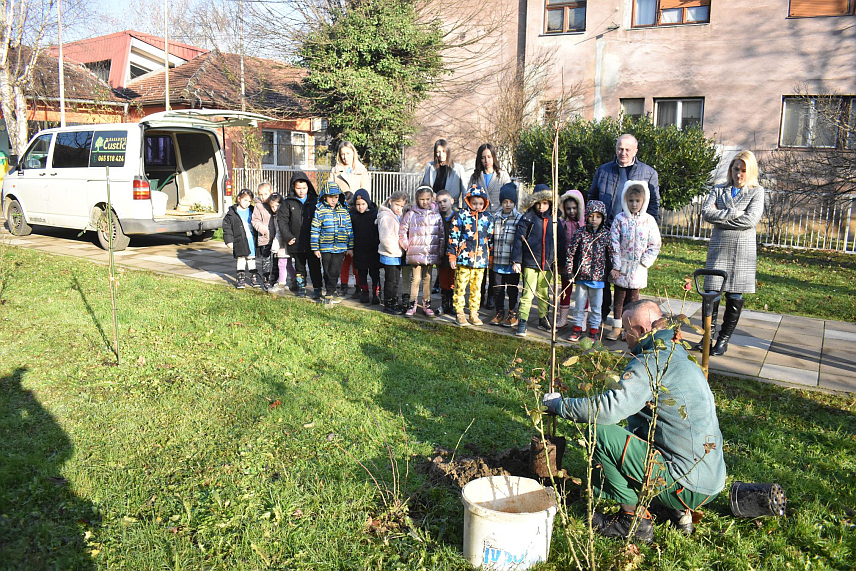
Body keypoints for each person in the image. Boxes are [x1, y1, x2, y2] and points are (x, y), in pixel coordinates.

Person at [542, 300, 726, 542]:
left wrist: (559, 405)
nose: (623, 339)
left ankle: (633, 521)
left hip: (687, 483)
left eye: (626, 332)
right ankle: (676, 510)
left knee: (600, 433)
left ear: (639, 332)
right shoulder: (675, 353)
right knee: (636, 433)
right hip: (709, 478)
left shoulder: (651, 361)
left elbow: (607, 410)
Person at [588, 134, 660, 334]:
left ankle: (629, 324)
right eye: (620, 148)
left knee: (630, 289)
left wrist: (645, 228)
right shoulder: (603, 171)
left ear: (635, 151)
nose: (623, 152)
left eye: (628, 149)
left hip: (633, 240)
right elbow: (592, 196)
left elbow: (653, 204)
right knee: (603, 279)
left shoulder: (648, 173)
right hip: (606, 233)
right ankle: (601, 318)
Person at [698, 150, 765, 356]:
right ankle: (707, 337)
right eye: (736, 169)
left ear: (750, 171)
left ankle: (723, 340)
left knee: (734, 295)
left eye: (744, 170)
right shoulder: (719, 189)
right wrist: (733, 213)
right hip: (719, 249)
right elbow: (706, 213)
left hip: (741, 252)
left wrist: (722, 218)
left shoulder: (757, 192)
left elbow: (750, 220)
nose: (739, 174)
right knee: (711, 294)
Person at [606, 181, 662, 341]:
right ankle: (616, 327)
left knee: (633, 300)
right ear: (625, 201)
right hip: (621, 267)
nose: (634, 204)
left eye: (637, 201)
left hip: (638, 269)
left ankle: (629, 329)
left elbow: (655, 243)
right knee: (618, 299)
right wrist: (616, 265)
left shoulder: (649, 221)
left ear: (643, 201)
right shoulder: (620, 219)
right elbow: (613, 242)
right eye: (631, 201)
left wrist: (645, 262)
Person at [511, 186, 566, 337]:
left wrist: (560, 263)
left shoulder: (555, 220)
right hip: (530, 261)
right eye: (538, 204)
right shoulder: (528, 218)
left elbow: (560, 241)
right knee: (528, 292)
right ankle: (523, 320)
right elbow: (518, 240)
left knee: (543, 292)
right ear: (534, 203)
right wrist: (517, 260)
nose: (542, 207)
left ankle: (543, 318)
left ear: (550, 203)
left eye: (545, 203)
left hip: (547, 263)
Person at [469, 143, 512, 310]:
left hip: (498, 223)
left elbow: (509, 197)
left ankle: (492, 297)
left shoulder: (502, 175)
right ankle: (478, 294)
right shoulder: (475, 176)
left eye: (489, 156)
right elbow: (469, 197)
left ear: (493, 157)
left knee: (494, 261)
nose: (486, 160)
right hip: (479, 223)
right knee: (480, 260)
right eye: (483, 157)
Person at [448, 186, 494, 326]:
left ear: (485, 203)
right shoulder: (461, 215)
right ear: (468, 201)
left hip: (480, 260)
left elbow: (490, 238)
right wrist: (452, 255)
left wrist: (490, 258)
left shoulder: (488, 218)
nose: (477, 206)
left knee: (477, 288)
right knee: (460, 286)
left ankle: (474, 313)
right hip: (464, 258)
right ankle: (460, 313)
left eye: (481, 203)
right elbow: (453, 236)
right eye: (474, 203)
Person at [566, 200, 611, 342]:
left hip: (598, 278)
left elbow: (612, 253)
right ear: (586, 216)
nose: (594, 220)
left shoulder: (605, 235)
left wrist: (614, 270)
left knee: (596, 307)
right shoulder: (580, 233)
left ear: (603, 218)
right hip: (581, 276)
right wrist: (570, 271)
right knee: (579, 305)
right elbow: (571, 252)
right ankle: (577, 329)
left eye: (598, 216)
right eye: (591, 216)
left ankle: (594, 330)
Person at [399, 186, 444, 318]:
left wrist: (439, 251)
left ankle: (427, 305)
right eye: (422, 199)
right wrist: (407, 245)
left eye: (427, 199)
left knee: (428, 279)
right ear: (417, 199)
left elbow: (441, 234)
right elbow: (402, 230)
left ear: (432, 199)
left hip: (430, 253)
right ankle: (412, 304)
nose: (425, 202)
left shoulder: (436, 215)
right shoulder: (411, 214)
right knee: (416, 279)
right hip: (416, 253)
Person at [278, 172, 323, 300]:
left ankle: (317, 288)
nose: (301, 191)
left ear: (308, 187)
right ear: (293, 187)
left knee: (315, 267)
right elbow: (282, 221)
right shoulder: (287, 203)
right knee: (299, 267)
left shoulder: (315, 201)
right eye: (298, 188)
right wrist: (288, 236)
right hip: (296, 242)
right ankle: (301, 287)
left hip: (312, 242)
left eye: (304, 188)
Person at [310, 181, 354, 304]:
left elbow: (349, 229)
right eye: (330, 197)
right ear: (324, 196)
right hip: (325, 247)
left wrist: (350, 247)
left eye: (336, 197)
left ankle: (329, 294)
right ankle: (332, 289)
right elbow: (315, 229)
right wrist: (315, 247)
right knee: (327, 270)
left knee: (335, 270)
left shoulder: (344, 211)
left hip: (340, 247)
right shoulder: (319, 211)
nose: (333, 200)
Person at [488, 182, 522, 327]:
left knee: (512, 289)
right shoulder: (495, 217)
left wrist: (517, 260)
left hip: (511, 262)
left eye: (511, 202)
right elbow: (490, 238)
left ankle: (512, 312)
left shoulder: (519, 218)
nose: (508, 205)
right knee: (497, 289)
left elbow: (520, 241)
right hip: (497, 261)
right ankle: (499, 311)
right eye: (505, 202)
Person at [557, 189, 586, 329]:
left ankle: (582, 320)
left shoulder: (584, 224)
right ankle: (563, 318)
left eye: (575, 208)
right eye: (568, 208)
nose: (572, 211)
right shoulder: (562, 223)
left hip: (581, 262)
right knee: (565, 290)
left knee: (582, 292)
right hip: (565, 262)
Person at [377, 191, 409, 314]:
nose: (399, 209)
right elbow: (385, 238)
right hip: (390, 254)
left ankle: (394, 301)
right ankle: (388, 303)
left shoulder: (397, 215)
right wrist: (393, 249)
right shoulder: (386, 216)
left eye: (401, 206)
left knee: (396, 279)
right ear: (390, 202)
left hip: (397, 254)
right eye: (397, 205)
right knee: (390, 280)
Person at [222, 188, 261, 289]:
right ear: (239, 199)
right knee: (241, 259)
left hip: (251, 240)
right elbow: (227, 228)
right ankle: (241, 279)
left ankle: (253, 278)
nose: (247, 203)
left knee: (251, 259)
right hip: (239, 240)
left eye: (249, 201)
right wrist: (229, 240)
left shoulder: (253, 211)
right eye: (245, 200)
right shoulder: (232, 213)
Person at [350, 188, 382, 305]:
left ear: (367, 203)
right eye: (358, 204)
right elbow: (350, 232)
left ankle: (376, 292)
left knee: (374, 273)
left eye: (363, 204)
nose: (360, 207)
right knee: (361, 272)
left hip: (373, 250)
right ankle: (364, 291)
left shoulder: (374, 214)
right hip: (359, 250)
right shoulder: (353, 216)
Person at [420, 139, 467, 205]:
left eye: (443, 151)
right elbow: (423, 188)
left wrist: (465, 209)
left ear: (448, 151)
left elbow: (465, 192)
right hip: (433, 207)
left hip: (452, 208)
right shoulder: (430, 167)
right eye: (438, 152)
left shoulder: (458, 169)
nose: (441, 154)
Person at [251, 191, 281, 291]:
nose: (263, 197)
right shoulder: (259, 207)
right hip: (265, 238)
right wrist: (264, 230)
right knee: (266, 259)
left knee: (277, 259)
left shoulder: (275, 204)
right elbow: (255, 221)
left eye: (265, 194)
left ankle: (275, 278)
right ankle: (266, 278)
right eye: (260, 194)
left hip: (276, 238)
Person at [435, 189, 457, 315]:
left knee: (454, 280)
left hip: (454, 255)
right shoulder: (437, 218)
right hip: (442, 255)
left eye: (445, 201)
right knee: (444, 280)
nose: (442, 204)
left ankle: (454, 304)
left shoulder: (458, 217)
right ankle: (444, 304)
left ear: (452, 201)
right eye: (439, 202)